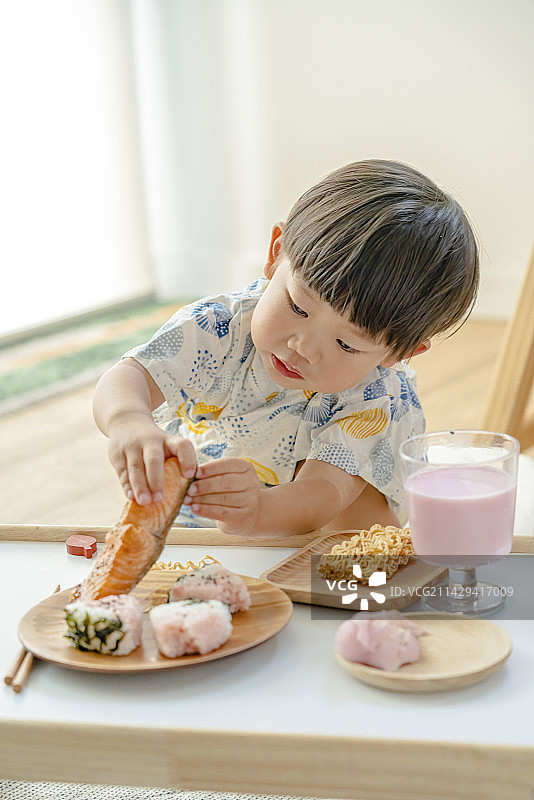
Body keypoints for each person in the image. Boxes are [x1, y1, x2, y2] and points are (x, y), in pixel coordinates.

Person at [93, 159, 479, 537]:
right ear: (275, 254)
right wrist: (129, 420)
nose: (303, 346)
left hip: (312, 515)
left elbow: (324, 491)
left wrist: (259, 511)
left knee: (362, 531)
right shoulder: (219, 325)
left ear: (399, 353)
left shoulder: (376, 395)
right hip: (201, 511)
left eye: (346, 343)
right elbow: (131, 375)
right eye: (298, 307)